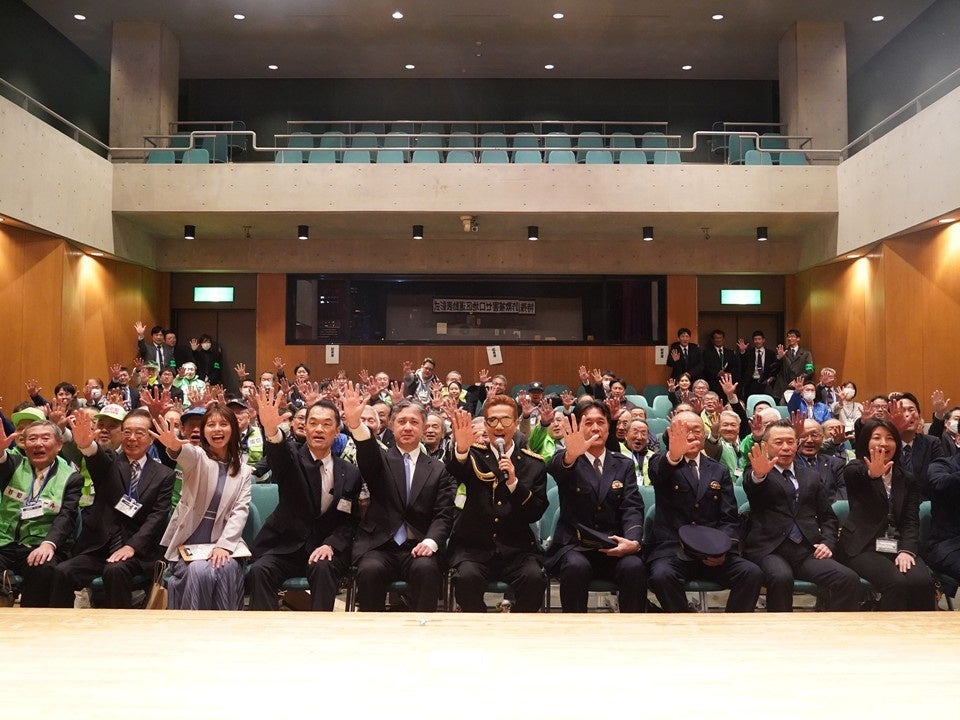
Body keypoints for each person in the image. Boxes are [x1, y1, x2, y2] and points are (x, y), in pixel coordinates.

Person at [343, 384, 456, 612]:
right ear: (392, 426)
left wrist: (431, 542)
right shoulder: (380, 460)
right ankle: (370, 629)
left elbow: (443, 514)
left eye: (414, 422)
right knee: (370, 570)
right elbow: (366, 449)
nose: (407, 427)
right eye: (402, 421)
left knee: (426, 569)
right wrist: (355, 425)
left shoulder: (438, 469)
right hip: (379, 546)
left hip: (419, 545)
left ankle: (423, 630)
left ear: (423, 429)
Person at [248, 388, 363, 611]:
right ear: (305, 427)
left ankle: (319, 630)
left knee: (324, 568)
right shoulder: (291, 459)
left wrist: (331, 544)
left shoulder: (350, 473)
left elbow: (349, 521)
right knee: (261, 570)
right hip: (286, 547)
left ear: (337, 431)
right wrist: (271, 430)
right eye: (313, 423)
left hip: (324, 548)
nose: (319, 429)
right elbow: (278, 453)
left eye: (326, 424)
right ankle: (263, 630)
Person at [51, 408, 175, 608]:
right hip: (100, 548)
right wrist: (86, 445)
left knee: (115, 570)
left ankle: (117, 626)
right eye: (127, 432)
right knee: (63, 571)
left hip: (138, 551)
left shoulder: (164, 474)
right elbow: (95, 456)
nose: (132, 438)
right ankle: (58, 624)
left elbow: (157, 517)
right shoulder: (110, 461)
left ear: (151, 438)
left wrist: (132, 546)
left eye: (139, 433)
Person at [647, 411, 763, 612]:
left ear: (704, 434)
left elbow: (728, 516)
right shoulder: (662, 461)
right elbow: (657, 474)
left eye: (696, 430)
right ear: (672, 433)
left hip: (712, 551)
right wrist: (674, 455)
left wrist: (722, 549)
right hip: (673, 549)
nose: (692, 435)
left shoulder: (718, 470)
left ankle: (732, 626)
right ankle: (685, 622)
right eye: (685, 430)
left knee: (751, 573)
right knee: (661, 576)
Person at [742, 421, 862, 611]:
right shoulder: (758, 472)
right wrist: (759, 475)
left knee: (848, 579)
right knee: (781, 577)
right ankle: (783, 627)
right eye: (779, 442)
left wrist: (827, 542)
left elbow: (827, 517)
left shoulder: (810, 475)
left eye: (790, 442)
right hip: (770, 549)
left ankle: (834, 625)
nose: (786, 447)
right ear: (765, 446)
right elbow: (752, 486)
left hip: (806, 550)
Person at [446, 398, 548, 612]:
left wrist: (514, 483)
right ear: (485, 425)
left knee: (534, 579)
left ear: (516, 424)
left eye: (505, 420)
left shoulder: (533, 464)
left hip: (517, 548)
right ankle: (481, 626)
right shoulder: (472, 455)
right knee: (465, 579)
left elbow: (536, 512)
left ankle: (519, 628)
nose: (499, 426)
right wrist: (461, 448)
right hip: (475, 548)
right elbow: (456, 470)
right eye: (492, 420)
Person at [545, 400, 647, 613]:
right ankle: (575, 628)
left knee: (634, 566)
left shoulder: (624, 464)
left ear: (609, 427)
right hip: (576, 545)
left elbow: (631, 507)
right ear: (578, 428)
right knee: (575, 567)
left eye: (600, 422)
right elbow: (556, 468)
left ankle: (635, 629)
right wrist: (571, 454)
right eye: (588, 423)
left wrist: (633, 541)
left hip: (614, 543)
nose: (595, 428)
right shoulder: (569, 459)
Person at [154, 402, 251, 610]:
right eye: (211, 425)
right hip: (188, 545)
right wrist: (174, 446)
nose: (217, 429)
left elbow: (240, 510)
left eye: (223, 424)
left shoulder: (244, 471)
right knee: (199, 571)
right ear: (204, 431)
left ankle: (225, 625)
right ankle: (193, 625)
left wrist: (224, 546)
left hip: (224, 543)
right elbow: (184, 452)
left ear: (233, 429)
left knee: (226, 568)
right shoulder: (198, 457)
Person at [838, 418, 936, 611]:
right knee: (895, 583)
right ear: (866, 442)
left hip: (896, 544)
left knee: (922, 582)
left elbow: (910, 520)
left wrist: (907, 550)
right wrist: (872, 475)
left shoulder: (906, 478)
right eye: (877, 438)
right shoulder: (855, 469)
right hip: (863, 546)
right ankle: (888, 629)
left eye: (889, 438)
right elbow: (855, 476)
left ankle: (920, 628)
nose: (883, 443)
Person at [0, 420, 83, 606]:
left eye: (45, 438)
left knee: (43, 567)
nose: (38, 444)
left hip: (38, 544)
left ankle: (32, 619)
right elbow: (2, 463)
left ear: (59, 444)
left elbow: (67, 516)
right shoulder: (14, 464)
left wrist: (49, 544)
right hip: (5, 542)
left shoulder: (70, 477)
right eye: (32, 439)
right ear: (24, 444)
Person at [772, 329, 814, 401]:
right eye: (788, 337)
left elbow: (810, 370)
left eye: (792, 336)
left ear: (798, 339)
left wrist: (797, 381)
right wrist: (779, 358)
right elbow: (775, 369)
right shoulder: (783, 352)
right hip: (783, 386)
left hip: (799, 386)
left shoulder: (806, 353)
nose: (789, 338)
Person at [737, 330, 779, 402]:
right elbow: (742, 365)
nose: (757, 341)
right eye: (755, 339)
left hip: (766, 383)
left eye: (759, 339)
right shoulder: (749, 353)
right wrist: (742, 352)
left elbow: (775, 367)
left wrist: (772, 377)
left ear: (763, 340)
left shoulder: (770, 353)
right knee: (751, 402)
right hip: (751, 383)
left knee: (766, 402)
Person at [702, 329, 738, 397]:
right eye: (716, 338)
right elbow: (706, 367)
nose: (718, 340)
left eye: (720, 338)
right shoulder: (707, 353)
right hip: (713, 383)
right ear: (713, 340)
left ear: (723, 339)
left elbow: (735, 366)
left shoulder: (730, 352)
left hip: (728, 383)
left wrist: (729, 374)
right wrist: (717, 373)